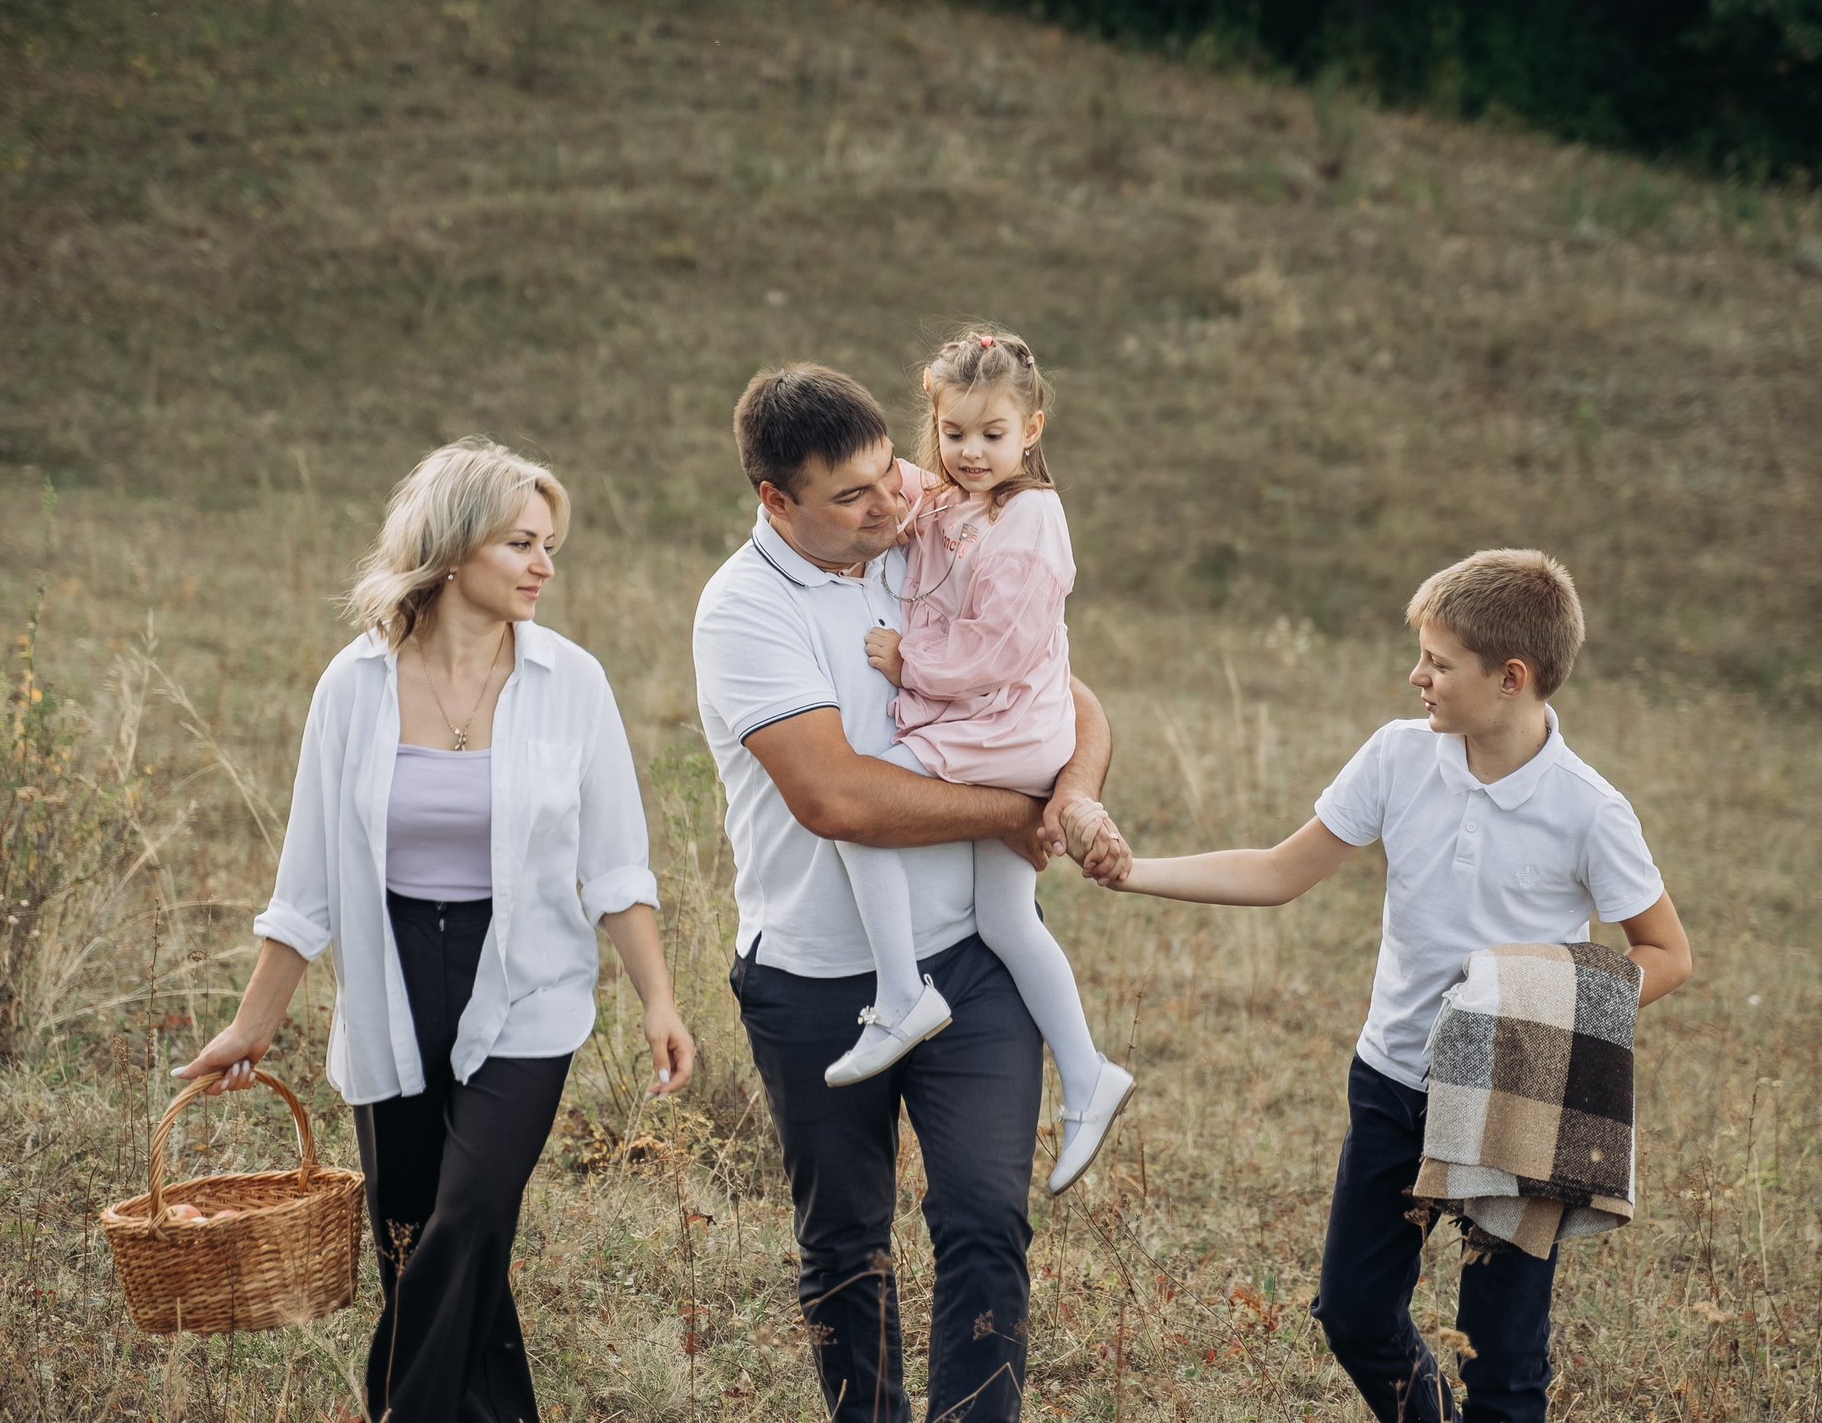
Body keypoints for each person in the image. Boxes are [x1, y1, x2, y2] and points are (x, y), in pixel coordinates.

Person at [1103, 550, 1693, 1423]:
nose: (1416, 675)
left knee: (1504, 1357)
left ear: (1511, 677)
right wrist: (1131, 871)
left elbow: (1666, 951)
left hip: (1518, 1097)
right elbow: (1276, 871)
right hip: (1393, 1081)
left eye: (1439, 662)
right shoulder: (1397, 756)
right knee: (1353, 1312)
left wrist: (1536, 1003)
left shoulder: (1588, 808)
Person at [175, 438, 697, 1423]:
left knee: (466, 1218)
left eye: (549, 544)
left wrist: (658, 1002)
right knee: (412, 1239)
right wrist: (253, 1024)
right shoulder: (355, 687)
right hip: (393, 979)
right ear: (453, 551)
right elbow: (310, 882)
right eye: (520, 544)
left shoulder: (570, 684)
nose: (545, 565)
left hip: (530, 981)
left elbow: (617, 866)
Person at [693, 362, 1118, 1423]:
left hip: (969, 966)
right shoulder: (743, 610)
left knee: (983, 1219)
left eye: (891, 471)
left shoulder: (920, 541)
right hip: (812, 981)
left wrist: (1071, 800)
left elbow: (1071, 701)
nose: (892, 500)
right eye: (853, 494)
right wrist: (1010, 816)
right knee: (845, 1246)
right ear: (775, 502)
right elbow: (836, 799)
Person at [833, 327, 1135, 1198]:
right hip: (1002, 721)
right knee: (1008, 918)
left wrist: (909, 663)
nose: (970, 452)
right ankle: (1085, 1074)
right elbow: (895, 494)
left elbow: (999, 649)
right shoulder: (947, 497)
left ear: (1031, 430)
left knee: (863, 808)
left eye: (992, 435)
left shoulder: (1032, 518)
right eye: (954, 432)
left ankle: (901, 994)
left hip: (1002, 722)